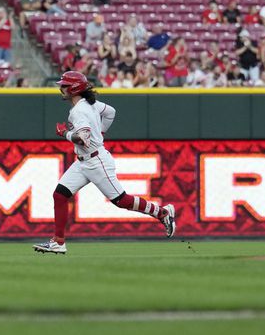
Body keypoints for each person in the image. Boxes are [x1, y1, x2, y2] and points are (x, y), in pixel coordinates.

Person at [33, 71, 176, 254]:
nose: (61, 88)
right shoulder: (89, 104)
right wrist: (101, 132)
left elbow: (82, 138)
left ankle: (162, 213)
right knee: (60, 195)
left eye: (64, 85)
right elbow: (110, 112)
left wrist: (64, 133)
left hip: (95, 161)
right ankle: (58, 242)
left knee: (121, 200)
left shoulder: (79, 110)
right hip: (84, 161)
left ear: (74, 88)